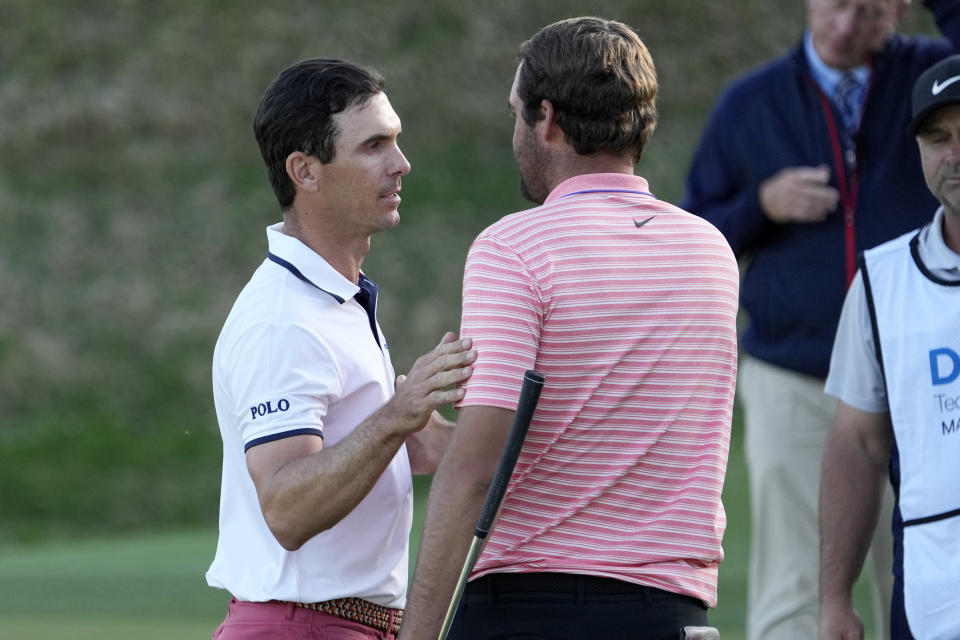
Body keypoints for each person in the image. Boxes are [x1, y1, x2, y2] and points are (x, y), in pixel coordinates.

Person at [398, 17, 739, 640]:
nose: (514, 134)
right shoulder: (709, 251)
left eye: (516, 115)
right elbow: (606, 437)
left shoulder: (516, 249)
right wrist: (445, 441)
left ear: (548, 120)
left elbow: (478, 471)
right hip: (674, 615)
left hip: (535, 610)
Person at [682, 1, 960, 637]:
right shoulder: (752, 101)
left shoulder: (934, 79)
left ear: (898, 9)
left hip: (923, 373)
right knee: (796, 591)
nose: (844, 27)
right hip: (795, 375)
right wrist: (760, 204)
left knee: (922, 572)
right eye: (835, 5)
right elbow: (693, 234)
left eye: (867, 11)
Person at [205, 58, 477, 639]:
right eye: (374, 145)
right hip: (299, 628)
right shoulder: (283, 321)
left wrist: (457, 433)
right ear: (304, 170)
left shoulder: (334, 301)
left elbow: (392, 459)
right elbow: (287, 507)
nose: (401, 164)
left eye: (396, 142)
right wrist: (396, 417)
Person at [820, 54, 960, 640]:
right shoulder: (882, 282)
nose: (954, 154)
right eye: (938, 137)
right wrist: (833, 599)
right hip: (934, 597)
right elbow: (857, 441)